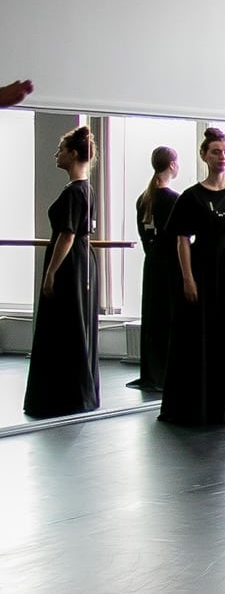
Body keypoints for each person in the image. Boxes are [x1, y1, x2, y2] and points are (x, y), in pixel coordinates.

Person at [159, 126, 225, 426]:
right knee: (199, 336)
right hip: (202, 270)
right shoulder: (190, 197)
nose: (222, 157)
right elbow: (182, 239)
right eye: (216, 152)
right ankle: (197, 405)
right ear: (204, 155)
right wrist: (188, 278)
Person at [23, 125, 98, 418]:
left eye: (61, 150)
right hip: (81, 260)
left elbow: (67, 235)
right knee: (73, 323)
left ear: (74, 154)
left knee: (64, 324)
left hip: (70, 263)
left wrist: (51, 272)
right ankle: (74, 393)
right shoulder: (85, 189)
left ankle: (64, 395)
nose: (57, 154)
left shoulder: (75, 192)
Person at [130, 146, 180, 393]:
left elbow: (144, 236)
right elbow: (180, 238)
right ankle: (166, 373)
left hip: (152, 262)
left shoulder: (143, 199)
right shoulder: (173, 200)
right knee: (168, 318)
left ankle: (151, 372)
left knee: (152, 317)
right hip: (171, 265)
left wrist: (152, 253)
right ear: (172, 165)